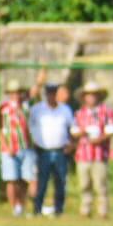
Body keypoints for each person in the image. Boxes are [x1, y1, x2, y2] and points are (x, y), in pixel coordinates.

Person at [72, 81, 113, 220]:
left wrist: (100, 138)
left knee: (101, 185)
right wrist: (84, 132)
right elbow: (74, 131)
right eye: (88, 95)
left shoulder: (107, 112)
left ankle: (103, 211)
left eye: (94, 94)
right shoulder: (80, 113)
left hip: (99, 155)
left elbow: (112, 130)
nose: (91, 97)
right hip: (83, 154)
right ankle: (85, 210)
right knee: (84, 185)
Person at [29, 83, 74, 217]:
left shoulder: (65, 110)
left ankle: (58, 209)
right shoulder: (37, 109)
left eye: (54, 94)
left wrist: (72, 144)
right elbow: (30, 126)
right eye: (49, 93)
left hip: (61, 150)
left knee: (60, 181)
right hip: (42, 150)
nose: (51, 96)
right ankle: (37, 209)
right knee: (42, 181)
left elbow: (72, 128)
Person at [0, 80, 35, 217]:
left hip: (25, 147)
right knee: (12, 179)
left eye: (19, 92)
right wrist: (6, 146)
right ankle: (15, 207)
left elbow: (36, 90)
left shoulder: (26, 106)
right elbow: (0, 129)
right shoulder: (4, 108)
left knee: (25, 179)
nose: (17, 95)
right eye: (14, 93)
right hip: (10, 148)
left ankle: (22, 206)